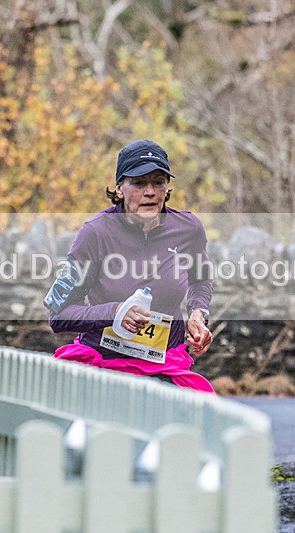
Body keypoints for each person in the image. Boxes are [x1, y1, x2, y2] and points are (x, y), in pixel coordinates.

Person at [44, 139, 215, 392]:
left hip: (165, 367)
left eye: (158, 182)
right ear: (120, 188)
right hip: (105, 367)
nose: (150, 192)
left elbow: (200, 280)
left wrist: (199, 314)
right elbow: (59, 316)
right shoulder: (95, 233)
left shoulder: (188, 229)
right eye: (138, 183)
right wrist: (116, 312)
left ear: (167, 188)